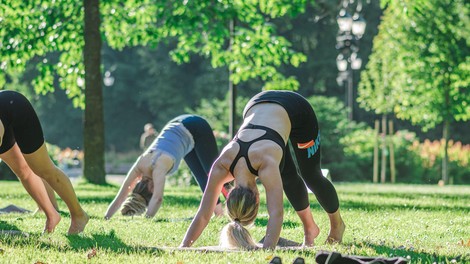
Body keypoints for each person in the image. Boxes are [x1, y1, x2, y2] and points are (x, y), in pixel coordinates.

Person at [180, 90, 345, 250]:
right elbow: (203, 214)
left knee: (311, 175)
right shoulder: (221, 165)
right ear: (229, 195)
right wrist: (184, 246)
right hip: (256, 103)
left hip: (296, 108)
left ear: (257, 198)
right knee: (287, 176)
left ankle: (337, 226)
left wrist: (267, 251)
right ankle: (310, 230)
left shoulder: (265, 164)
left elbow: (276, 214)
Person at [105, 114, 229, 220]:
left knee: (215, 173)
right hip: (180, 130)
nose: (155, 191)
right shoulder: (140, 165)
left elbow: (157, 199)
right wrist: (106, 218)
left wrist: (147, 219)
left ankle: (239, 204)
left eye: (151, 193)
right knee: (201, 177)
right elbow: (121, 196)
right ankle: (219, 215)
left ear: (149, 187)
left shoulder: (157, 168)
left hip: (195, 126)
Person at [0, 90, 89, 234]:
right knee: (23, 171)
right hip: (4, 118)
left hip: (15, 107)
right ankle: (52, 214)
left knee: (44, 169)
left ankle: (79, 215)